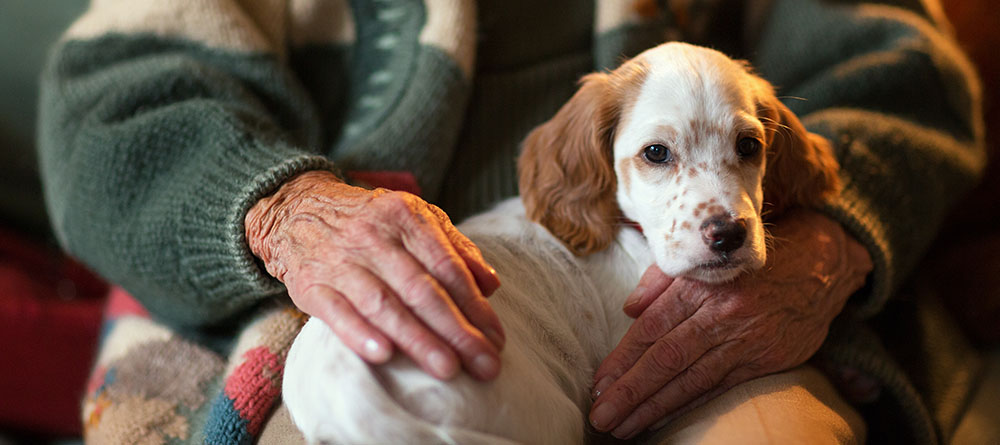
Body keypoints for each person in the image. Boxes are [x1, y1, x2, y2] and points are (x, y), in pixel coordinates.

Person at [38, 0, 984, 443]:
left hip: (724, 314)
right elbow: (108, 103)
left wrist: (830, 232)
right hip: (345, 293)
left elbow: (904, 71)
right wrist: (284, 210)